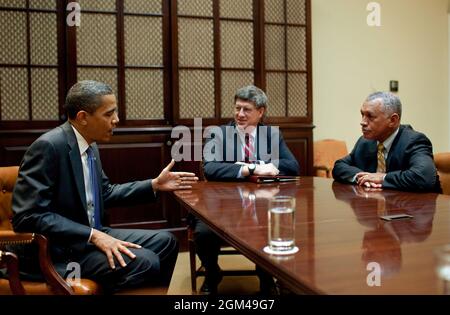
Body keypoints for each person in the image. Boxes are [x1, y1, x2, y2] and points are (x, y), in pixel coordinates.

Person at [12, 80, 198, 293]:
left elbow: (105, 193)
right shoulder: (49, 147)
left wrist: (154, 185)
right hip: (60, 249)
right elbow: (27, 216)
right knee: (145, 262)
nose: (116, 120)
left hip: (90, 235)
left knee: (166, 242)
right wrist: (93, 235)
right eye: (109, 114)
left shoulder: (90, 145)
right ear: (83, 117)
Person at [193, 85, 299, 294]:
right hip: (223, 203)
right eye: (237, 108)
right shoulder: (219, 133)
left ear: (260, 112)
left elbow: (293, 166)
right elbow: (211, 168)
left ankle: (266, 277)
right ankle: (212, 273)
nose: (240, 114)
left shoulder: (271, 135)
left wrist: (269, 165)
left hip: (261, 200)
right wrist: (251, 168)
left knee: (271, 225)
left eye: (247, 109)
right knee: (204, 232)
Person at [332, 91, 441, 192]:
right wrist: (362, 177)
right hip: (375, 205)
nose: (363, 122)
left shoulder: (414, 141)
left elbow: (424, 177)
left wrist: (382, 177)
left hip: (412, 208)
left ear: (393, 120)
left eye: (370, 116)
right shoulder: (365, 142)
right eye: (362, 114)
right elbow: (339, 166)